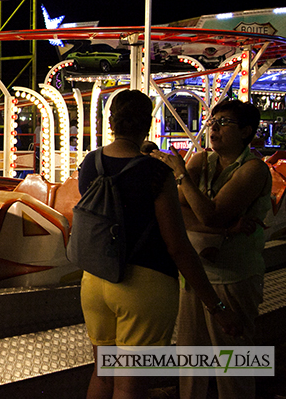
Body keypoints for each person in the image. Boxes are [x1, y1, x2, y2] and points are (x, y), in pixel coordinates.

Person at [78, 90, 241, 399]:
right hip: (144, 288)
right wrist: (217, 307)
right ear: (148, 122)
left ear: (111, 121)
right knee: (130, 385)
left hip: (95, 281)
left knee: (103, 375)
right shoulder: (155, 172)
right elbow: (178, 247)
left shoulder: (90, 163)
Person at [152, 99, 272, 399]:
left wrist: (181, 175)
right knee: (191, 360)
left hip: (234, 277)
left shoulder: (253, 169)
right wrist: (227, 228)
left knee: (233, 363)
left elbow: (209, 214)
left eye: (224, 122)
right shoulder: (201, 161)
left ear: (246, 132)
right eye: (212, 121)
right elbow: (181, 213)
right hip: (195, 274)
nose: (214, 128)